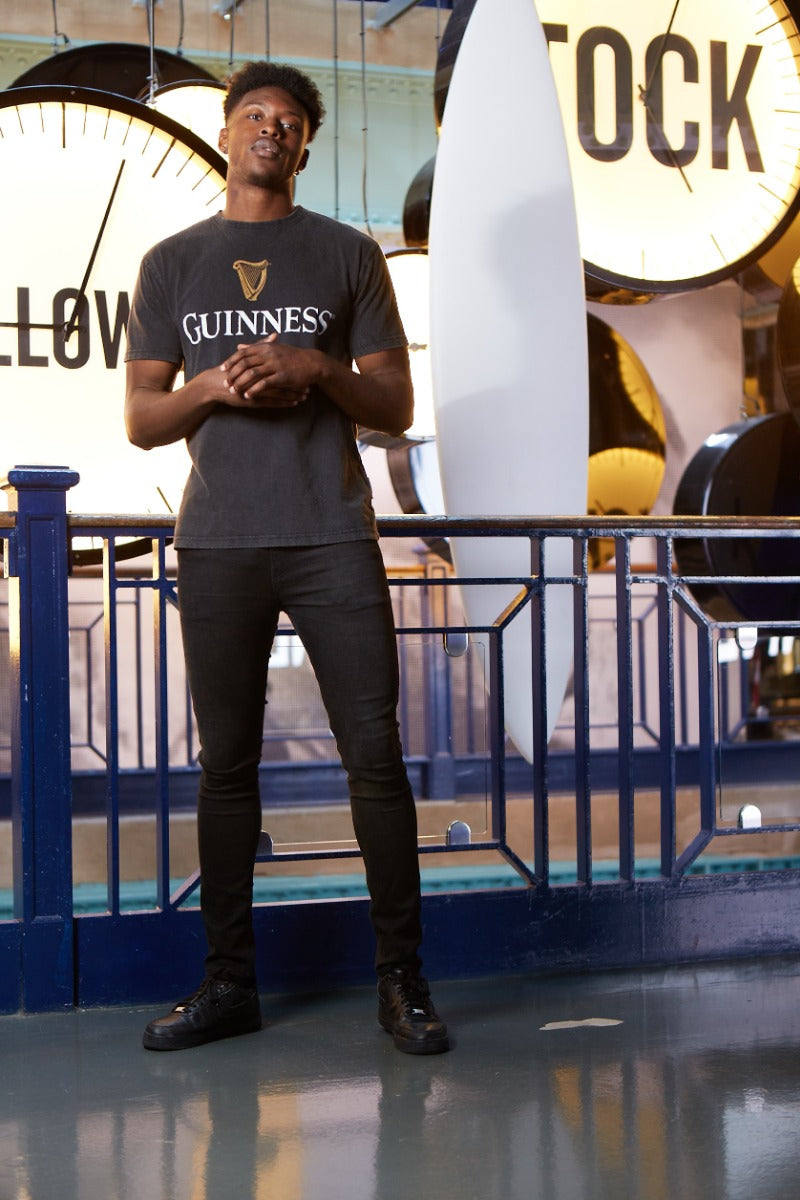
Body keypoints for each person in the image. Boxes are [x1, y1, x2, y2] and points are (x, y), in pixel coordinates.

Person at [124, 60, 449, 1056]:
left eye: (290, 120)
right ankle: (229, 984)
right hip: (217, 541)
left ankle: (402, 985)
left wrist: (317, 368)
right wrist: (216, 385)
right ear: (226, 135)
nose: (272, 128)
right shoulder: (170, 261)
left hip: (331, 539)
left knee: (374, 763)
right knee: (226, 771)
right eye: (255, 115)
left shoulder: (348, 255)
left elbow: (393, 409)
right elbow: (142, 418)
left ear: (305, 146)